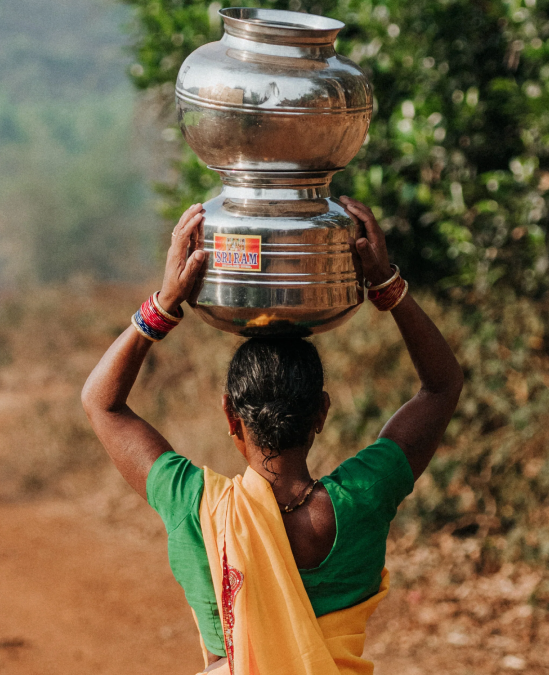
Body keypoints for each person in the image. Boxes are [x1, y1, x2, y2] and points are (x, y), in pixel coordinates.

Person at [82, 197, 463, 675]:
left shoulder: (196, 507)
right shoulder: (363, 497)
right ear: (321, 412)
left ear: (230, 414)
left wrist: (164, 304)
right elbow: (442, 386)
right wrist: (387, 285)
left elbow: (101, 402)